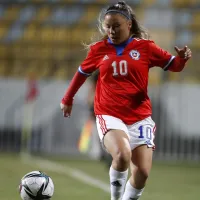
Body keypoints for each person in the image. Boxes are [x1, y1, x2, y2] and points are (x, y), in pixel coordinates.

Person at [60, 1, 192, 200]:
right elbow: (81, 73)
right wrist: (67, 98)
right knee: (122, 155)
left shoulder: (146, 48)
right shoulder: (98, 49)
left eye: (116, 26)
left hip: (139, 117)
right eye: (108, 26)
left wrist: (182, 59)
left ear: (129, 25)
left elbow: (174, 66)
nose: (111, 30)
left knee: (142, 174)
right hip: (109, 113)